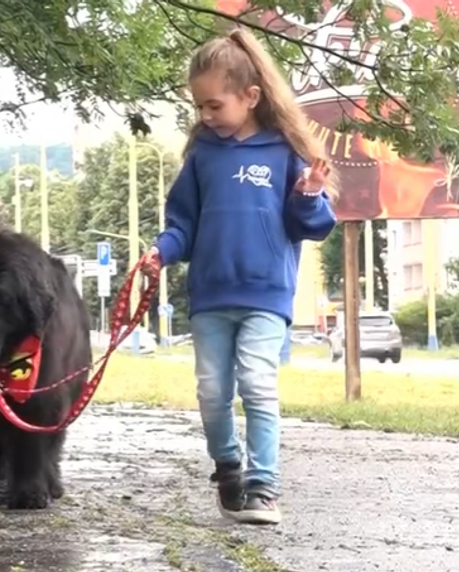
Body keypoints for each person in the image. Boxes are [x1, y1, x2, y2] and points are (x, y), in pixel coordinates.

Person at [138, 28, 338, 526]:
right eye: (199, 108)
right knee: (211, 391)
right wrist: (160, 253)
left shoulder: (285, 152)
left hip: (267, 295)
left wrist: (309, 194)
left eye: (213, 106)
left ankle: (263, 485)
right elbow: (182, 224)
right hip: (210, 297)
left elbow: (310, 228)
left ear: (250, 97)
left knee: (258, 384)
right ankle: (227, 463)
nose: (205, 117)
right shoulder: (203, 156)